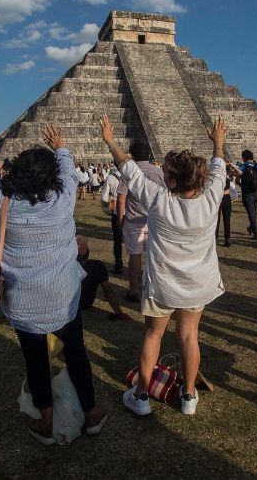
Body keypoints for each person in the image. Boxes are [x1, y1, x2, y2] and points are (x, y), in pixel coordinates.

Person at [0, 125, 106, 445]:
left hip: (23, 300)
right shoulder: (62, 200)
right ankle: (92, 412)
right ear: (50, 178)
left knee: (35, 360)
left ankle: (46, 420)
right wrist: (61, 147)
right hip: (63, 295)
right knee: (76, 354)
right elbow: (69, 172)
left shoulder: (3, 203)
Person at [100, 114, 228, 416]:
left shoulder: (159, 198)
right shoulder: (211, 198)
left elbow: (127, 169)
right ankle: (188, 395)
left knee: (153, 335)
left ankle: (141, 396)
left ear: (170, 181)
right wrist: (218, 143)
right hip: (198, 282)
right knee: (188, 336)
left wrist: (110, 140)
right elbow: (219, 165)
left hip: (162, 284)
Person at [116, 141, 165, 302]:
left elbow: (121, 199)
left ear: (132, 155)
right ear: (148, 155)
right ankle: (155, 289)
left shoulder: (129, 172)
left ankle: (133, 291)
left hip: (133, 221)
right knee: (154, 256)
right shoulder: (158, 171)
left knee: (135, 256)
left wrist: (120, 219)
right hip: (154, 220)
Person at [75, 236, 132, 321]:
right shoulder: (98, 266)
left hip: (66, 307)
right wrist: (119, 313)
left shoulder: (62, 267)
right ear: (88, 253)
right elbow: (108, 291)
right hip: (85, 304)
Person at [227, 149, 257, 240]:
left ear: (243, 158)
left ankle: (256, 231)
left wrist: (231, 172)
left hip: (248, 192)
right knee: (254, 211)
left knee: (251, 212)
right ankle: (251, 228)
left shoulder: (243, 166)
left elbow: (238, 174)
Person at [100, 168, 124, 272]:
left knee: (117, 240)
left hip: (117, 212)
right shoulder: (132, 175)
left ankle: (118, 263)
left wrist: (107, 208)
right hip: (132, 212)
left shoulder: (110, 178)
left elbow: (104, 199)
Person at [215, 166, 232, 247]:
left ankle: (227, 238)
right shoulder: (215, 172)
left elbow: (239, 173)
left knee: (227, 218)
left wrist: (230, 165)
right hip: (217, 197)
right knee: (216, 219)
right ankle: (215, 238)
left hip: (226, 197)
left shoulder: (228, 173)